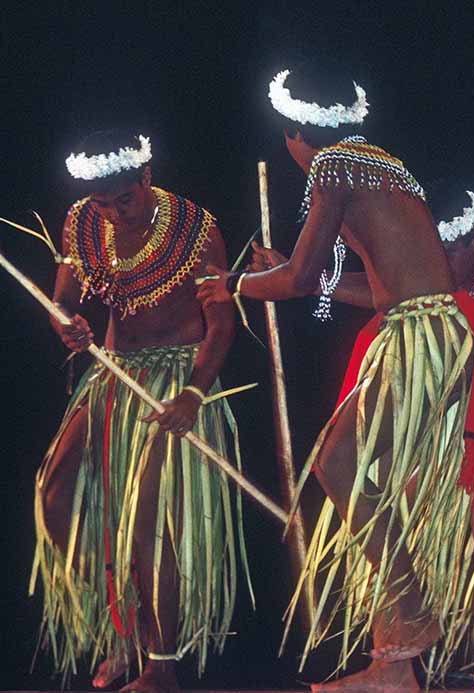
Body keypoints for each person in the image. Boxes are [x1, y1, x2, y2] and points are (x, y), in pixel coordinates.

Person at [198, 68, 474, 692]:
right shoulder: (378, 163)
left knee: (338, 464)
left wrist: (233, 285)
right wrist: (294, 276)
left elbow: (301, 279)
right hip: (425, 326)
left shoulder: (332, 169)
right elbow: (385, 287)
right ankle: (395, 667)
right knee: (353, 469)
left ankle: (411, 616)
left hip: (420, 334)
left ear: (295, 134)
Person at [251, 186, 474, 692]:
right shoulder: (434, 279)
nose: (438, 263)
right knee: (386, 510)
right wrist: (307, 281)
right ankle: (393, 669)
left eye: (451, 251)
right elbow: (381, 289)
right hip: (467, 415)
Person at [34, 130, 246, 693]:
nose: (112, 213)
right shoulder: (83, 222)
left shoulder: (195, 230)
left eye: (121, 201)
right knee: (55, 497)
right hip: (113, 375)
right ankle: (125, 622)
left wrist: (195, 394)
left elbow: (221, 322)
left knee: (152, 522)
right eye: (101, 203)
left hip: (176, 382)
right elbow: (62, 303)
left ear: (146, 178)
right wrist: (68, 327)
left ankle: (163, 665)